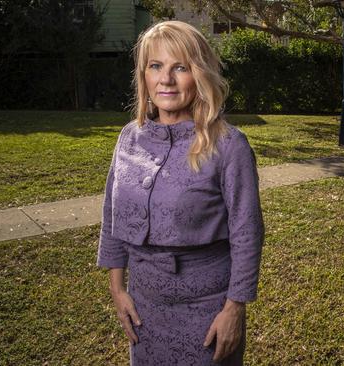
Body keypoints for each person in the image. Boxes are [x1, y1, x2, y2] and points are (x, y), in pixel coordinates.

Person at [96, 20, 264, 365]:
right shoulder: (129, 137)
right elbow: (112, 216)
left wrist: (234, 309)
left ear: (199, 75)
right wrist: (117, 289)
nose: (166, 79)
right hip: (143, 308)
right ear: (143, 75)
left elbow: (248, 234)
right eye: (155, 66)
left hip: (208, 310)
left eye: (180, 68)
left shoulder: (229, 146)